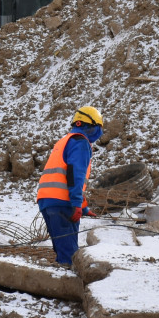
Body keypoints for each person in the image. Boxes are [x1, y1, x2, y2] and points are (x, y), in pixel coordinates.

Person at [36, 106, 104, 267]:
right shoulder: (80, 143)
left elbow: (66, 177)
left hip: (47, 200)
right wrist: (76, 205)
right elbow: (75, 176)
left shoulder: (64, 140)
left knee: (62, 250)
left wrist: (84, 207)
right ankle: (67, 286)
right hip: (63, 203)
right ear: (91, 126)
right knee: (70, 256)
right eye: (99, 128)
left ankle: (57, 283)